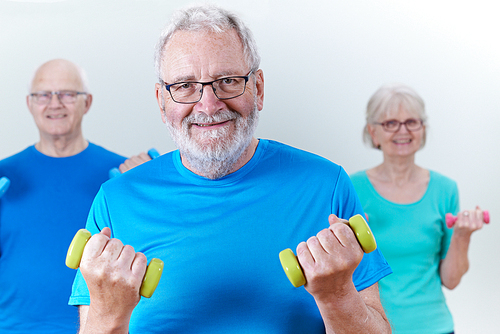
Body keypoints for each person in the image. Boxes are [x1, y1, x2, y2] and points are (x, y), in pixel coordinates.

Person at [69, 5, 392, 333]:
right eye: (184, 86)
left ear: (259, 88)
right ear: (162, 102)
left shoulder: (327, 186)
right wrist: (110, 315)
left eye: (228, 81)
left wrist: (337, 296)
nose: (208, 105)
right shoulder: (115, 201)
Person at [0, 59, 146, 333]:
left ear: (87, 102)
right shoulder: (3, 177)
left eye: (67, 94)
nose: (55, 104)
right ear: (30, 103)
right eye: (44, 95)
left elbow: (151, 255)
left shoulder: (124, 177)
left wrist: (150, 189)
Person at [350, 83, 487, 334]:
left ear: (422, 129)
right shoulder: (352, 188)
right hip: (372, 328)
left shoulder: (445, 189)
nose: (403, 131)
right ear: (373, 132)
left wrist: (462, 236)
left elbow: (451, 280)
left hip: (434, 327)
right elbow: (341, 276)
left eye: (412, 121)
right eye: (391, 123)